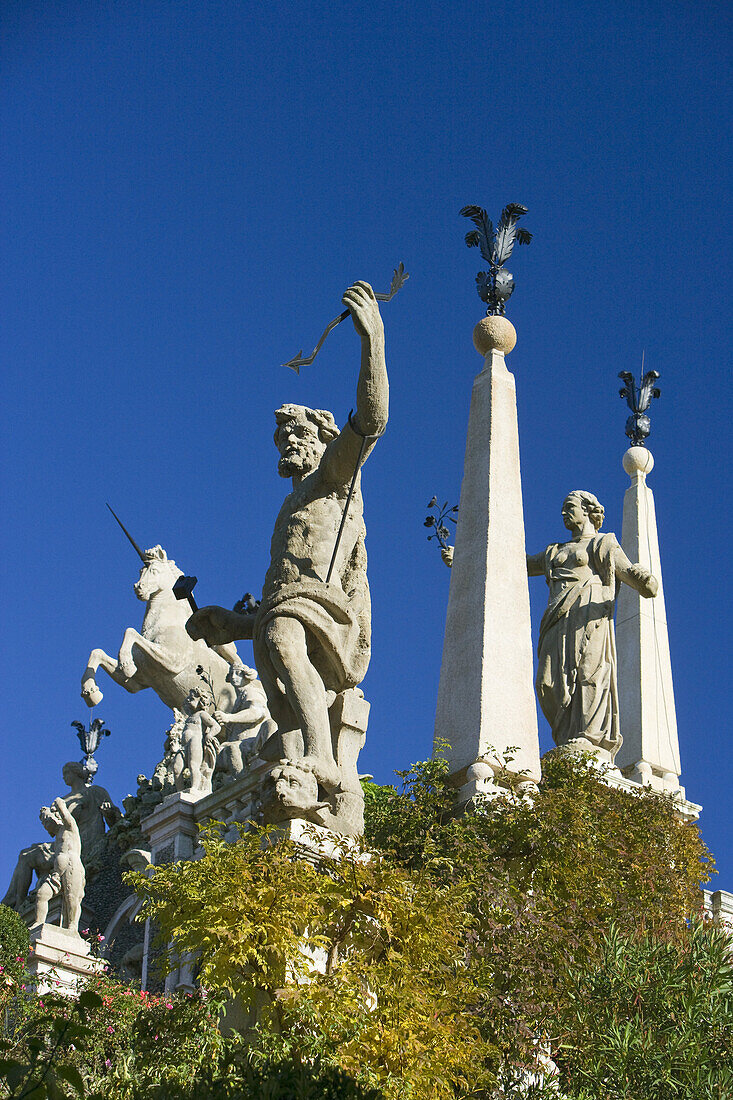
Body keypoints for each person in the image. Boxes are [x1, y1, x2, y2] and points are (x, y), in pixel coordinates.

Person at [187, 281, 388, 791]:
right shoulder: (289, 508)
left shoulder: (335, 479)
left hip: (321, 612)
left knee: (280, 632)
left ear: (323, 440)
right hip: (286, 609)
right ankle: (305, 749)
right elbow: (284, 585)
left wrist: (373, 343)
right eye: (283, 438)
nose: (288, 444)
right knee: (275, 647)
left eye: (297, 435)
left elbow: (371, 421)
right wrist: (233, 623)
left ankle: (322, 755)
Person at [527, 490, 658, 759]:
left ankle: (587, 737)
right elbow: (517, 563)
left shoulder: (603, 544)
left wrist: (646, 581)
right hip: (557, 618)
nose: (564, 512)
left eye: (570, 507)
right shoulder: (555, 551)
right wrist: (464, 557)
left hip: (590, 617)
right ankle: (565, 735)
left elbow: (632, 575)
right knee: (546, 683)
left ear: (588, 510)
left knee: (590, 674)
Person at [2, 762, 119, 911]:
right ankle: (15, 902)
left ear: (76, 773)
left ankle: (14, 904)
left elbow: (115, 821)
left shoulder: (95, 792)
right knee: (25, 854)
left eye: (66, 773)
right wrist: (47, 819)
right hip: (63, 842)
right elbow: (54, 830)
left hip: (85, 844)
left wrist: (109, 813)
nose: (63, 777)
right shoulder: (63, 799)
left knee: (26, 856)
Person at [34, 798, 85, 932]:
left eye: (47, 819)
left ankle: (73, 927)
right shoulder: (57, 839)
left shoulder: (69, 827)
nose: (46, 824)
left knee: (72, 898)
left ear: (56, 816)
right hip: (57, 872)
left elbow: (64, 810)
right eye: (44, 823)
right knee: (41, 894)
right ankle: (38, 923)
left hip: (72, 867)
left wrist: (58, 804)